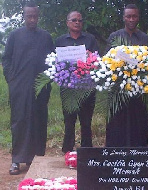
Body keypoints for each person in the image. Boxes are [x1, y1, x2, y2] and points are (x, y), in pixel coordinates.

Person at [2, 2, 54, 175]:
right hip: (20, 87)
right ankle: (17, 160)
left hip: (41, 87)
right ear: (24, 17)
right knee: (20, 121)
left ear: (38, 16)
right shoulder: (15, 36)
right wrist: (12, 79)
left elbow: (52, 60)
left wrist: (47, 80)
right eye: (29, 16)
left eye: (35, 16)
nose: (32, 19)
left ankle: (36, 158)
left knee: (39, 121)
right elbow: (6, 59)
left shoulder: (45, 36)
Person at [106, 4, 148, 147]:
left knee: (139, 121)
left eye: (134, 16)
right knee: (117, 122)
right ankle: (115, 151)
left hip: (139, 91)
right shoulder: (114, 36)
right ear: (123, 18)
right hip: (118, 90)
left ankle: (139, 151)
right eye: (128, 16)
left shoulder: (145, 38)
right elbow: (107, 60)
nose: (131, 19)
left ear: (138, 17)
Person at [55, 11, 99, 153]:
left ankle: (87, 152)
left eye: (80, 20)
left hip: (87, 87)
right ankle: (68, 151)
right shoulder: (60, 41)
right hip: (68, 88)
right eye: (74, 20)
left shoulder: (90, 39)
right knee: (69, 121)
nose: (77, 23)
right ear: (67, 22)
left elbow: (97, 61)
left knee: (86, 122)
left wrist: (89, 61)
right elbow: (55, 62)